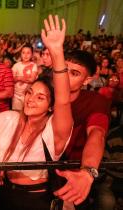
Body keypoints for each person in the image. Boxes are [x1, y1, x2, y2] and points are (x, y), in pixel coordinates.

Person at [0, 15, 73, 210]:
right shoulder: (12, 118)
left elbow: (64, 100)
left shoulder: (54, 129)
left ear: (51, 106)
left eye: (41, 97)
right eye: (30, 93)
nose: (31, 99)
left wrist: (57, 53)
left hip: (35, 199)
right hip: (5, 193)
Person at [53, 50, 111, 208]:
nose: (65, 76)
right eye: (63, 69)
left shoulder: (94, 101)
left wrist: (87, 172)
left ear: (87, 80)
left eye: (74, 73)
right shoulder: (44, 93)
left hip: (74, 177)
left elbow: (96, 133)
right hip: (38, 174)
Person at [11, 43, 38, 111]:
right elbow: (11, 79)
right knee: (16, 113)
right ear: (20, 54)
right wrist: (20, 78)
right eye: (23, 53)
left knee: (26, 112)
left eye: (28, 53)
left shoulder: (33, 65)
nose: (25, 55)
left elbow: (32, 79)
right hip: (16, 94)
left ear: (32, 54)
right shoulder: (16, 65)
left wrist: (18, 78)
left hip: (27, 95)